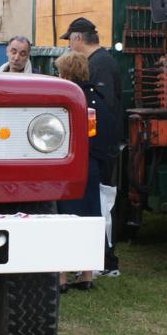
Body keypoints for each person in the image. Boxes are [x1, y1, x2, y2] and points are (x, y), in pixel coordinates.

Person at [60, 17, 121, 273]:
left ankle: (103, 260)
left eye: (70, 41)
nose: (69, 46)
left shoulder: (100, 63)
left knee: (100, 205)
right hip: (97, 149)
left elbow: (103, 109)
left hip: (97, 150)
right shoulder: (100, 61)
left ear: (77, 38)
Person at [53, 50, 117, 292]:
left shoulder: (66, 100)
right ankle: (86, 274)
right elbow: (107, 133)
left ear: (66, 74)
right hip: (91, 167)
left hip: (67, 167)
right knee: (89, 218)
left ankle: (61, 276)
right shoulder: (97, 99)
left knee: (63, 220)